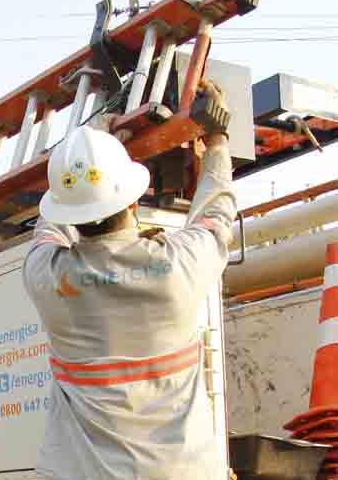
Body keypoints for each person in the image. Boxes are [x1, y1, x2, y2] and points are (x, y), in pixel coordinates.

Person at [23, 81, 236, 480]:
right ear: (134, 199)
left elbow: (48, 228)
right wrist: (218, 140)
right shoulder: (178, 266)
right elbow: (216, 216)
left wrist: (81, 164)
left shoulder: (46, 277)